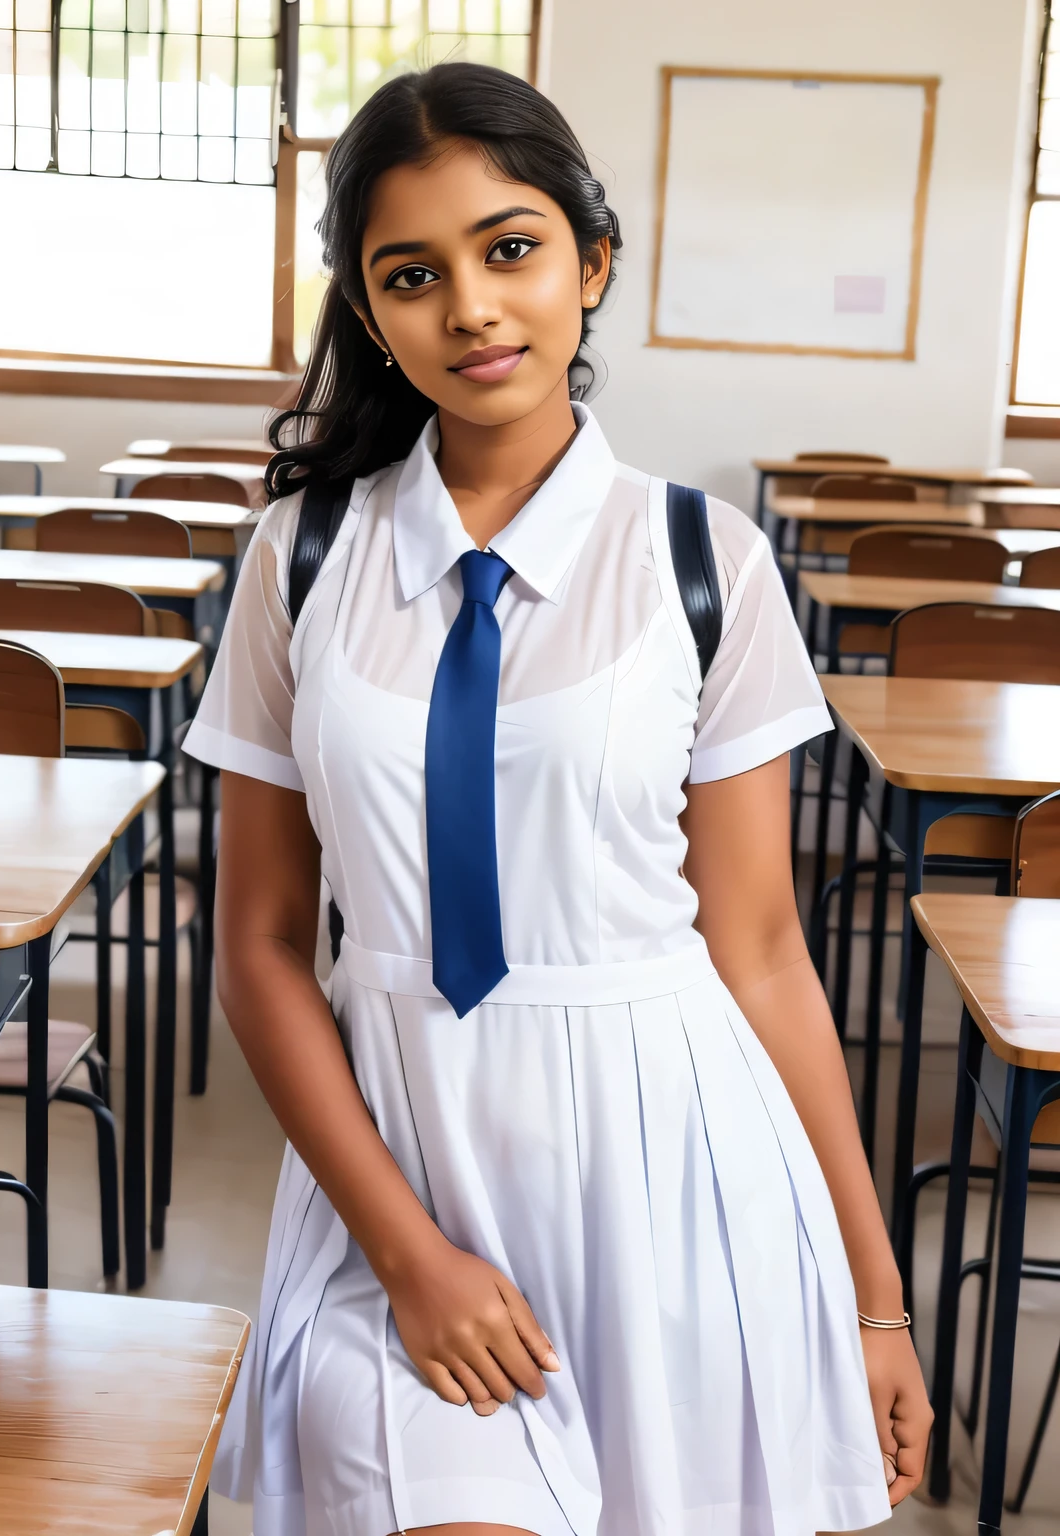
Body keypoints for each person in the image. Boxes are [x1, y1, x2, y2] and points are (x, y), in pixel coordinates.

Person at [184, 60, 931, 1536]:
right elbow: (264, 946)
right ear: (371, 315)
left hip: (675, 1178)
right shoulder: (302, 562)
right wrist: (404, 1254)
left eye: (509, 249)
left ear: (589, 263)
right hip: (391, 1175)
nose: (469, 307)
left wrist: (875, 1299)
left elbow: (764, 950)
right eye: (414, 274)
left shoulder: (705, 563)